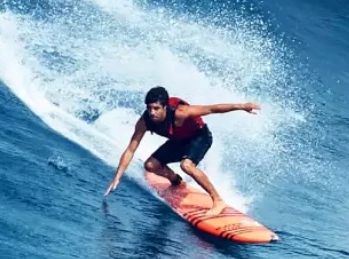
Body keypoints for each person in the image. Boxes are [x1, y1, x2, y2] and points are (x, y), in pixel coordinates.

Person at [104, 86, 261, 209]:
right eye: (149, 108)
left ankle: (218, 200)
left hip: (200, 137)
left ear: (165, 107)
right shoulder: (145, 121)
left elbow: (213, 109)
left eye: (156, 108)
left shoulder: (181, 112)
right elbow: (131, 149)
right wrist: (117, 177)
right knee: (150, 165)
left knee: (186, 165)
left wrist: (242, 106)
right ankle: (177, 182)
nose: (152, 112)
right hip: (178, 141)